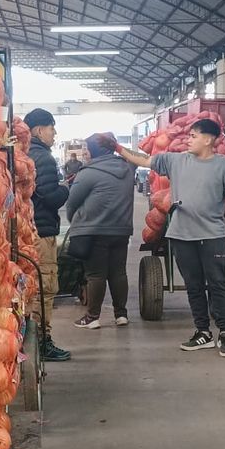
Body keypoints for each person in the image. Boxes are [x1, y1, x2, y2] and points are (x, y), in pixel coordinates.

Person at [112, 119, 225, 357]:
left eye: (194, 136)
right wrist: (118, 148)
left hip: (212, 235)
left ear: (208, 139)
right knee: (194, 286)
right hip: (182, 235)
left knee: (218, 284)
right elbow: (144, 160)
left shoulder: (224, 166)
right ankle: (202, 332)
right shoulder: (175, 161)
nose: (189, 139)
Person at [66, 132, 135, 329]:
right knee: (118, 273)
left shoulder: (88, 172)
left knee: (95, 274)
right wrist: (118, 148)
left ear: (95, 151)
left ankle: (92, 317)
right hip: (121, 230)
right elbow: (137, 156)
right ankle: (121, 315)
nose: (86, 153)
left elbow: (72, 202)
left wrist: (75, 220)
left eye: (87, 149)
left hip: (94, 230)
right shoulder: (128, 167)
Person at [24, 108, 72, 362]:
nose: (55, 134)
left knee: (30, 288)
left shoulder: (23, 153)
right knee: (45, 287)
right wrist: (65, 189)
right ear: (39, 130)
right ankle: (41, 341)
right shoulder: (42, 157)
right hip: (41, 233)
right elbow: (50, 197)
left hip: (26, 231)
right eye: (52, 128)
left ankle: (29, 339)